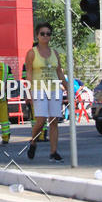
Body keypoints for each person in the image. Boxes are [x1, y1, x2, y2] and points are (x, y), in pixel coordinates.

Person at [25, 23, 68, 162]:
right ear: (37, 36)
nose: (45, 36)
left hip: (54, 88)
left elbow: (59, 72)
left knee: (54, 120)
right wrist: (28, 92)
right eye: (42, 33)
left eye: (48, 33)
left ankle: (53, 152)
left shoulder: (55, 53)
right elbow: (29, 74)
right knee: (41, 119)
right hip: (39, 89)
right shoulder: (32, 53)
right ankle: (33, 142)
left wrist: (68, 88)